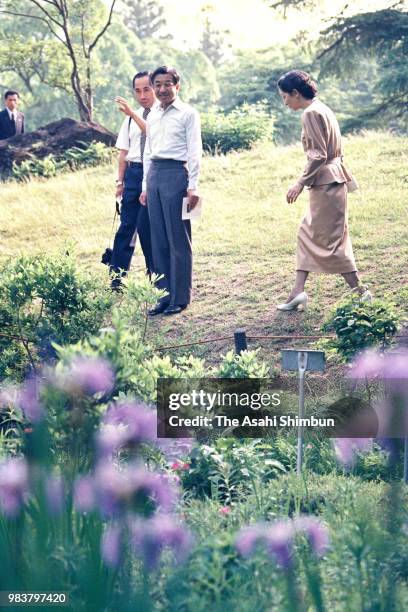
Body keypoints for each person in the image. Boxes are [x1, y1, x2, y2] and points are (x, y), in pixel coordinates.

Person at [276, 70, 371, 311]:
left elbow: (318, 154)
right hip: (330, 181)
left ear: (296, 93)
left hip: (327, 184)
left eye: (285, 96)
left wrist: (300, 182)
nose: (284, 101)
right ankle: (297, 292)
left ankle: (360, 291)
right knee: (307, 233)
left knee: (332, 241)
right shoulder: (323, 108)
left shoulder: (311, 113)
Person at [140, 66, 202, 316]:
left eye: (168, 84)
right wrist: (145, 186)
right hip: (154, 174)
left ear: (177, 86)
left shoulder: (188, 113)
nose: (162, 89)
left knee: (178, 238)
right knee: (158, 240)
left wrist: (193, 185)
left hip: (176, 175)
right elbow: (147, 151)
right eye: (158, 84)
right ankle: (163, 296)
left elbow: (194, 150)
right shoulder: (152, 114)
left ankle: (180, 297)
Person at [109, 71, 156, 290]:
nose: (143, 95)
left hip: (155, 171)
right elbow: (123, 152)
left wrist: (131, 113)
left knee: (151, 229)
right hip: (134, 172)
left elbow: (152, 133)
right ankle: (117, 278)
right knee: (127, 227)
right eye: (138, 90)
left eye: (147, 89)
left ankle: (155, 278)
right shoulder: (130, 117)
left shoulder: (161, 114)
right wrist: (121, 182)